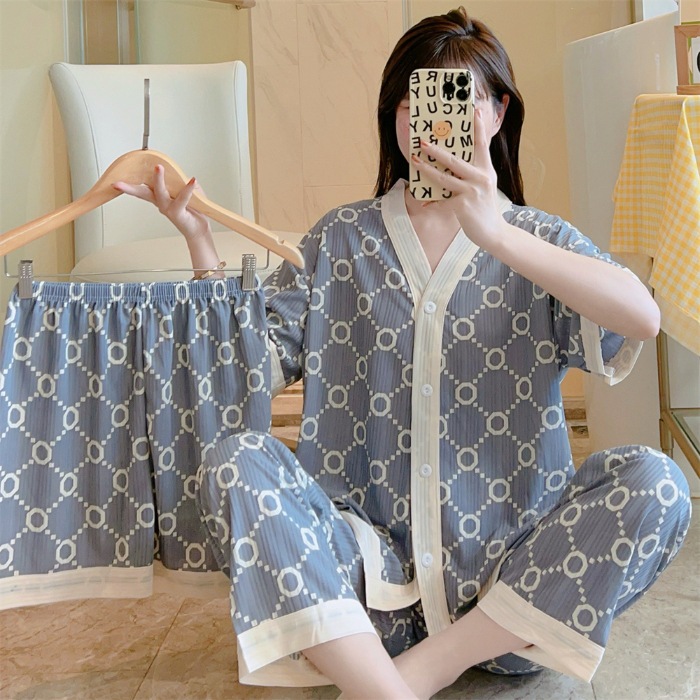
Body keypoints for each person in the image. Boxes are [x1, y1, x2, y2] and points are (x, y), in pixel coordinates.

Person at [114, 7, 691, 699]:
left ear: (497, 113)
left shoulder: (537, 240)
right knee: (237, 459)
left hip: (511, 598)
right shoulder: (339, 239)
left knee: (658, 484)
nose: (434, 119)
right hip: (366, 593)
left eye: (460, 97)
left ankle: (417, 675)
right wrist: (200, 241)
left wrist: (497, 234)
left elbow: (642, 318)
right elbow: (241, 370)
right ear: (394, 116)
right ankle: (384, 687)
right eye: (416, 100)